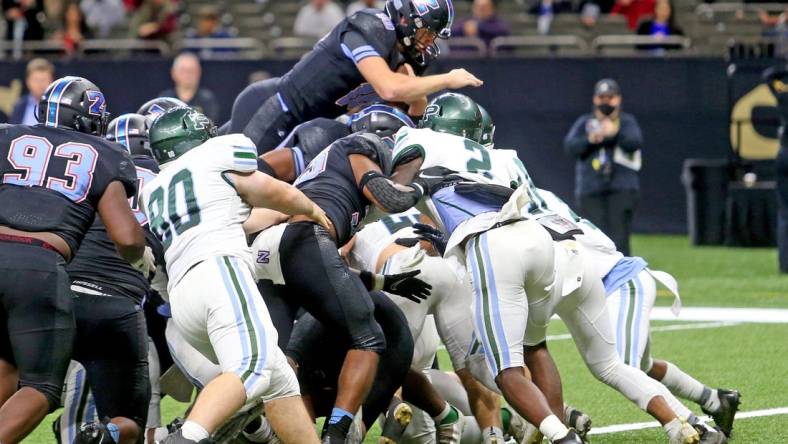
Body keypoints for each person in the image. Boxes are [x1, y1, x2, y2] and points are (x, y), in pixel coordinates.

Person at [390, 93, 702, 444]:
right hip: (548, 246)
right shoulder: (502, 156)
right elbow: (526, 206)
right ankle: (687, 420)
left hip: (495, 247)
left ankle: (560, 435)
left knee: (502, 367)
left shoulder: (415, 139)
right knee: (549, 349)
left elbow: (395, 189)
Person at [142, 107, 328, 444]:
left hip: (184, 295)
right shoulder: (216, 155)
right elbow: (274, 191)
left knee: (278, 377)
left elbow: (231, 217)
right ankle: (185, 438)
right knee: (252, 367)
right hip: (219, 273)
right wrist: (311, 208)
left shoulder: (154, 189)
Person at [0, 76, 147, 444]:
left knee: (6, 363)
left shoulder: (6, 135)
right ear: (88, 119)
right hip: (37, 264)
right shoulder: (106, 154)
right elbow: (127, 237)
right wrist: (141, 260)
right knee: (42, 386)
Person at [225, 0, 483, 154]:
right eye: (426, 32)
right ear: (405, 18)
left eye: (434, 35)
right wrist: (448, 79)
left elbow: (413, 106)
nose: (429, 41)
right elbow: (389, 89)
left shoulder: (405, 57)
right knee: (234, 184)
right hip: (276, 109)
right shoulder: (370, 25)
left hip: (310, 126)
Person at [65, 113, 162, 444]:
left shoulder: (89, 171)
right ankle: (104, 432)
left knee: (33, 386)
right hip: (119, 304)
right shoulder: (171, 177)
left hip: (59, 290)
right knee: (127, 420)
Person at [563, 78, 642, 256]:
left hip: (621, 189)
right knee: (594, 239)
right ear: (595, 99)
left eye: (610, 97)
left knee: (619, 240)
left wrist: (615, 133)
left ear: (618, 99)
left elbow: (634, 143)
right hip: (591, 189)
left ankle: (621, 280)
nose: (606, 101)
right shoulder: (585, 122)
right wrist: (591, 139)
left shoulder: (626, 121)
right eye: (601, 97)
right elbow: (570, 147)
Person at [764, 65, 788, 273]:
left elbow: (769, 75)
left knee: (785, 212)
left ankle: (785, 264)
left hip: (784, 153)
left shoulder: (783, 91)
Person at [158, 53, 220, 122]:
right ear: (173, 73)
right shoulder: (165, 99)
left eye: (192, 71)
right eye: (183, 71)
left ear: (199, 72)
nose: (188, 75)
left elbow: (210, 124)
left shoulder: (207, 99)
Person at [10, 57, 54, 125]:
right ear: (28, 81)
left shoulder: (58, 106)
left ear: (51, 81)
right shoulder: (19, 105)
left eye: (43, 80)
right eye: (36, 80)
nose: (40, 84)